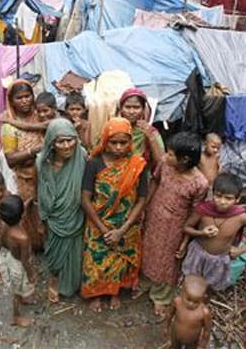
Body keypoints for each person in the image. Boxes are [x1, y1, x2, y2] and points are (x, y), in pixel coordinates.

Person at [81, 117, 148, 312]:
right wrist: (102, 229)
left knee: (118, 260)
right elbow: (85, 198)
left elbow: (142, 199)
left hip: (126, 224)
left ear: (130, 142)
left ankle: (114, 292)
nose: (118, 147)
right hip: (98, 222)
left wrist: (123, 229)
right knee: (96, 258)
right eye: (114, 142)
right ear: (105, 141)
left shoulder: (137, 165)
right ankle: (97, 293)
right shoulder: (94, 163)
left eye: (123, 142)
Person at [140, 132, 209, 316]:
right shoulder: (165, 165)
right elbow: (155, 182)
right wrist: (144, 208)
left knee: (168, 262)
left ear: (185, 159)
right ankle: (145, 282)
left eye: (170, 154)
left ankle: (161, 296)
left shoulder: (200, 183)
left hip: (175, 227)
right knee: (148, 251)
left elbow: (196, 213)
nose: (165, 156)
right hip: (154, 217)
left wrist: (186, 239)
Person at [181, 172, 246, 292]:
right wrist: (202, 233)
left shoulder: (241, 217)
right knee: (191, 283)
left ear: (237, 199)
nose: (222, 201)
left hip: (219, 259)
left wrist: (241, 250)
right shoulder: (203, 210)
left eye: (228, 198)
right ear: (213, 193)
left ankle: (204, 302)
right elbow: (186, 227)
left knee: (210, 287)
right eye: (218, 196)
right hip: (198, 255)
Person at [37, 118, 87, 303]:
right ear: (52, 142)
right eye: (60, 141)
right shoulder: (42, 163)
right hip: (53, 218)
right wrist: (41, 219)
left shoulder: (82, 157)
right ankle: (54, 280)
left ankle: (74, 282)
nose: (66, 146)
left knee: (75, 251)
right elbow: (39, 194)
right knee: (53, 251)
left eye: (70, 139)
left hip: (75, 215)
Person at [0, 80, 45, 250]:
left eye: (28, 96)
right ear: (11, 101)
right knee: (31, 213)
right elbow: (11, 160)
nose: (25, 100)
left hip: (47, 175)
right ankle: (35, 245)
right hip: (27, 178)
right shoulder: (9, 127)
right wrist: (33, 152)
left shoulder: (40, 115)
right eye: (19, 98)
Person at [0, 195, 37, 327]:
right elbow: (24, 261)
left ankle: (23, 299)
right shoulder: (23, 238)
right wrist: (31, 273)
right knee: (17, 291)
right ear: (22, 215)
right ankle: (15, 316)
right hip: (19, 265)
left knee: (19, 287)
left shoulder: (3, 226)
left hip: (10, 259)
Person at [117, 87, 165, 170]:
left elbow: (160, 161)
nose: (131, 112)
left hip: (142, 176)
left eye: (136, 107)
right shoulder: (113, 128)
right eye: (127, 107)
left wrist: (150, 137)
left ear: (143, 110)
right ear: (121, 109)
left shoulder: (151, 131)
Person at [165, 275, 211, 349]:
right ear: (182, 292)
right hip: (175, 334)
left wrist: (203, 344)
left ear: (203, 298)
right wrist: (166, 327)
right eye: (188, 299)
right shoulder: (177, 302)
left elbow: (207, 330)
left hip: (192, 339)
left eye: (196, 302)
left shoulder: (204, 312)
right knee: (174, 346)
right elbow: (169, 314)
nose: (191, 304)